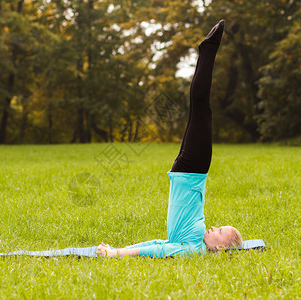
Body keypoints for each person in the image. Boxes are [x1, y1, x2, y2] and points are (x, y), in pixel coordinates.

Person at [96, 20, 243, 258]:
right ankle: (207, 51)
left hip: (189, 170)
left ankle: (207, 51)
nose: (215, 226)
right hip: (191, 172)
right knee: (199, 108)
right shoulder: (194, 243)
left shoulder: (192, 250)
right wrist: (116, 251)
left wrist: (117, 253)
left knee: (200, 107)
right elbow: (160, 244)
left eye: (220, 231)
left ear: (220, 247)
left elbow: (159, 247)